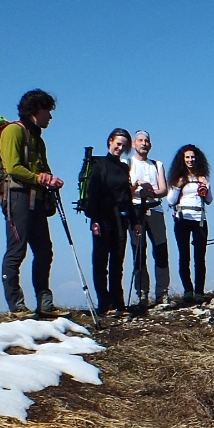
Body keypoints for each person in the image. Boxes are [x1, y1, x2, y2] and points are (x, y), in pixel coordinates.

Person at [0, 89, 65, 317]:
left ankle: (44, 303)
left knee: (44, 251)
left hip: (36, 199)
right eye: (48, 111)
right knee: (17, 251)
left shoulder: (37, 137)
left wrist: (49, 179)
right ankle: (16, 305)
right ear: (37, 110)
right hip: (17, 198)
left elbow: (41, 167)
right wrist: (40, 178)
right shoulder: (13, 132)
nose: (50, 117)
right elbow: (13, 167)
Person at [84, 129, 137, 317]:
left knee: (117, 262)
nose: (120, 148)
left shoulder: (123, 168)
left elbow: (127, 196)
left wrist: (134, 221)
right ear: (110, 142)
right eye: (118, 143)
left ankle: (119, 303)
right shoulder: (99, 166)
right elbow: (93, 195)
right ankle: (104, 304)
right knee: (100, 261)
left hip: (121, 219)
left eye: (124, 145)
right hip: (103, 218)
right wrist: (94, 220)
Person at [128, 130, 170, 309]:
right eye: (140, 140)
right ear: (133, 143)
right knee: (138, 251)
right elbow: (125, 190)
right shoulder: (127, 163)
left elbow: (164, 190)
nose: (144, 143)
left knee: (160, 250)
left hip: (155, 208)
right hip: (135, 210)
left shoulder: (157, 164)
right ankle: (142, 292)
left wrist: (150, 191)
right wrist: (137, 186)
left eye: (146, 141)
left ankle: (162, 292)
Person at [167, 145, 211, 302]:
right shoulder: (177, 178)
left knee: (200, 257)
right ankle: (188, 290)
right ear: (182, 159)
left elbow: (209, 200)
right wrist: (179, 185)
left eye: (192, 157)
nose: (190, 160)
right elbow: (170, 200)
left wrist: (205, 186)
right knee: (184, 255)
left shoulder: (202, 177)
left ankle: (199, 291)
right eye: (187, 157)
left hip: (199, 219)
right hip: (182, 218)